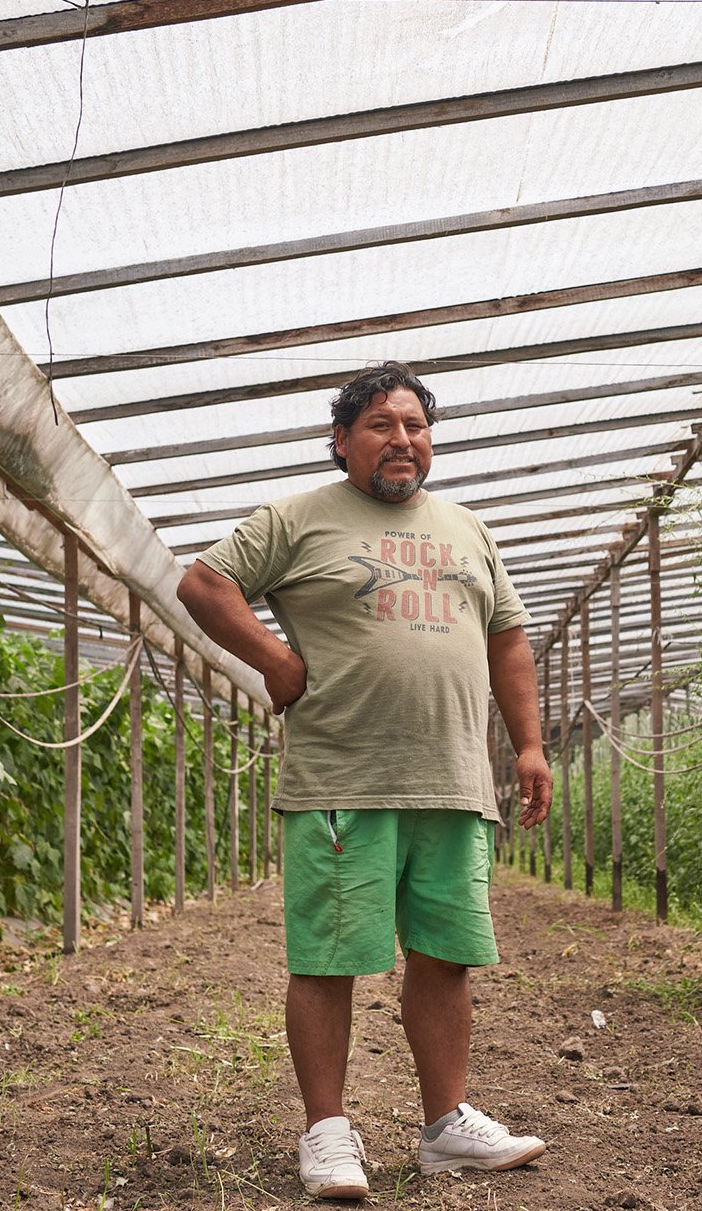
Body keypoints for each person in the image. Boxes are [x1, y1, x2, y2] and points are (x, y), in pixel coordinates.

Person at [176, 361, 553, 1200]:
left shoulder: (467, 528)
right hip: (343, 776)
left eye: (415, 426)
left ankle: (446, 1125)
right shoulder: (299, 517)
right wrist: (274, 657)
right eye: (382, 425)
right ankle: (328, 1132)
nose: (402, 441)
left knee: (445, 955)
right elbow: (202, 583)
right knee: (328, 957)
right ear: (343, 440)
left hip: (453, 781)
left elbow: (508, 641)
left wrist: (528, 746)